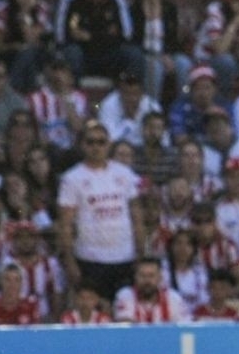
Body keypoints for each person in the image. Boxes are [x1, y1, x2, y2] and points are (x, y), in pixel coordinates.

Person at [57, 120, 145, 303]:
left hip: (124, 257)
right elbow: (65, 224)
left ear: (109, 144)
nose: (96, 147)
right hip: (90, 259)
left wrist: (140, 252)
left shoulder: (125, 174)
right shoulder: (71, 179)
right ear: (82, 145)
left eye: (101, 142)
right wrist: (70, 262)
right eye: (90, 142)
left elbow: (136, 217)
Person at [113, 255, 190, 323]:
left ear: (160, 277)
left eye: (151, 275)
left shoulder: (173, 298)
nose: (147, 280)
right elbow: (124, 326)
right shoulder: (125, 295)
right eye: (142, 275)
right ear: (135, 277)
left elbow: (184, 326)